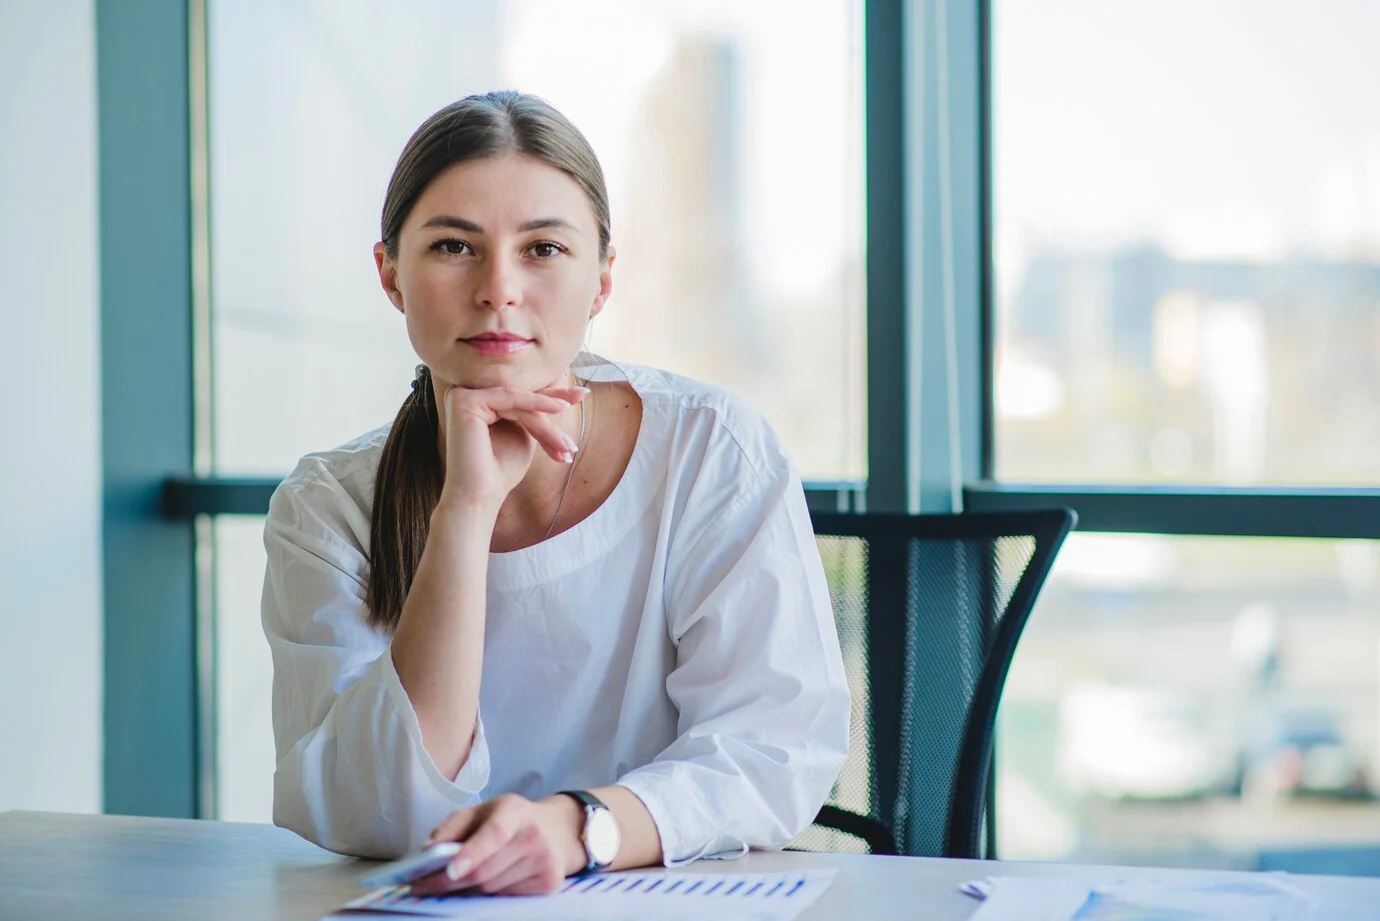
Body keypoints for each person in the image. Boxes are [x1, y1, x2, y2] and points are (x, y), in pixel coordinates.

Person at [261, 90, 851, 897]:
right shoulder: (328, 505)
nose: (498, 288)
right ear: (390, 274)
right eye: (453, 247)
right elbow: (370, 810)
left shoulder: (711, 446)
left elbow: (773, 747)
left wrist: (577, 828)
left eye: (542, 248)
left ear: (602, 279)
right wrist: (464, 511)